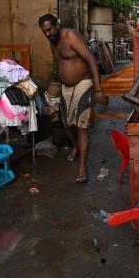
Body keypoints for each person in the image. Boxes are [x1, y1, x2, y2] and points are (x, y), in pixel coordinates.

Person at [38, 14, 107, 183]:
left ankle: (82, 166)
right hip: (65, 88)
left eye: (49, 29)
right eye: (44, 32)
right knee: (67, 123)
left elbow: (91, 59)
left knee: (82, 125)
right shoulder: (52, 43)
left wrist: (98, 89)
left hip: (83, 84)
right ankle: (76, 147)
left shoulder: (71, 35)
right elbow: (60, 64)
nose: (47, 34)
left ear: (57, 24)